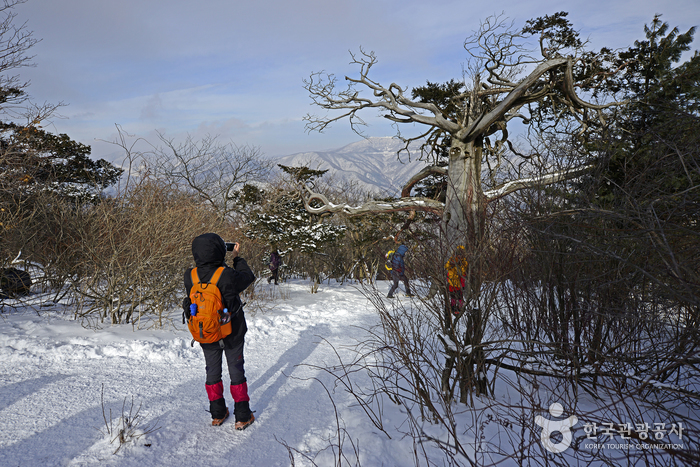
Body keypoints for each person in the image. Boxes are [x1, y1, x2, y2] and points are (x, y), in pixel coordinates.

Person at [183, 233, 256, 429]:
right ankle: (242, 416)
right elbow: (248, 277)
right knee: (236, 373)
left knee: (212, 373)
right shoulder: (226, 274)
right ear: (218, 251)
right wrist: (237, 258)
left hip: (206, 333)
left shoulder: (190, 275)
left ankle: (218, 413)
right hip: (232, 332)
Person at [445, 246, 468, 315]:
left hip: (459, 283)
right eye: (458, 254)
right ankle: (453, 307)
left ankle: (460, 308)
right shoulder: (452, 259)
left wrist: (456, 265)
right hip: (451, 282)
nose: (459, 256)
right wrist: (452, 264)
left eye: (461, 254)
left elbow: (462, 271)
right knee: (453, 297)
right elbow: (447, 266)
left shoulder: (464, 261)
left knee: (460, 296)